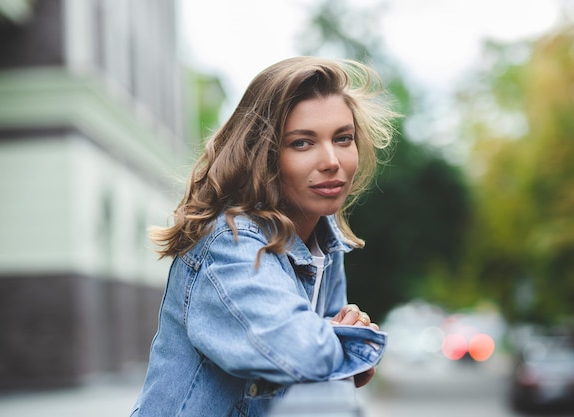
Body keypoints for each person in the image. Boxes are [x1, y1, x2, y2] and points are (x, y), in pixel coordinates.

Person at [130, 56, 397, 417]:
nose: (331, 160)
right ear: (265, 156)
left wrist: (338, 346)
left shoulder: (325, 243)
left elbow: (322, 370)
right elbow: (302, 352)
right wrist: (350, 343)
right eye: (303, 143)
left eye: (343, 138)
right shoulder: (230, 241)